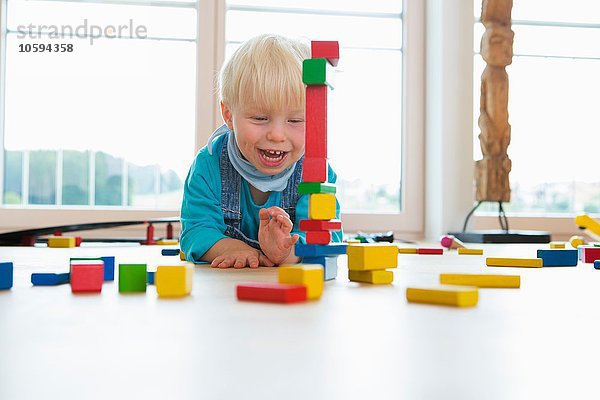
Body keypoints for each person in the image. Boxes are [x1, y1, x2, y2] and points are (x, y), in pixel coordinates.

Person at [180, 33, 342, 269]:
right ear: (228, 115)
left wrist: (285, 253)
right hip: (224, 292)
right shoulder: (210, 163)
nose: (277, 135)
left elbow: (326, 238)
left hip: (287, 289)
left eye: (296, 120)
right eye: (260, 118)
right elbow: (196, 230)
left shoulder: (316, 172)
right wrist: (233, 249)